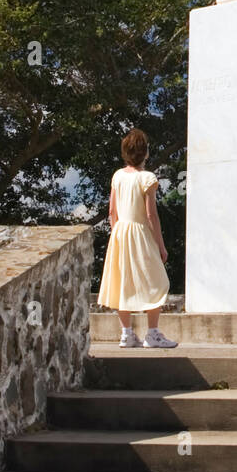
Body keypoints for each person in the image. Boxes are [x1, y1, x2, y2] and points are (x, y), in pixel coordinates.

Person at [97, 127, 176, 348]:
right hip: (139, 232)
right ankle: (152, 333)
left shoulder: (118, 176)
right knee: (157, 281)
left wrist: (116, 236)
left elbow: (112, 211)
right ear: (145, 152)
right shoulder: (147, 178)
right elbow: (151, 215)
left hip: (120, 232)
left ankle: (126, 333)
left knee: (122, 282)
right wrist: (161, 245)